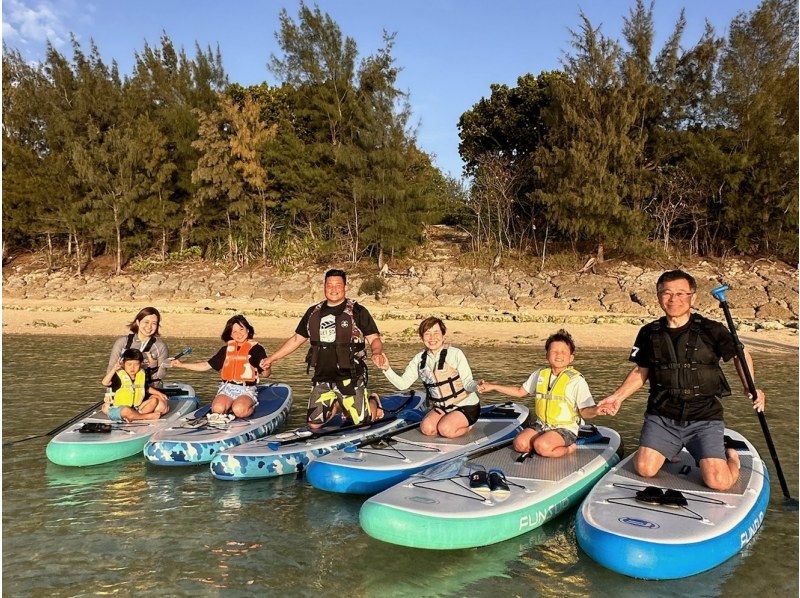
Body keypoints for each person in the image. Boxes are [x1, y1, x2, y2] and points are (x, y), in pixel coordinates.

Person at [596, 269, 766, 491]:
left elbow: (739, 355)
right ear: (659, 297)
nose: (673, 299)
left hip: (704, 416)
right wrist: (617, 397)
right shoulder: (649, 332)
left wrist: (751, 387)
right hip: (662, 415)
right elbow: (641, 371)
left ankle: (730, 457)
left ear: (692, 297)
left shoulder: (712, 329)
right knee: (645, 469)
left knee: (718, 482)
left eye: (681, 293)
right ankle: (671, 448)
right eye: (667, 293)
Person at [260, 269, 384, 430]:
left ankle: (373, 401)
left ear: (345, 287)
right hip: (322, 376)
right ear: (324, 287)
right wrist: (271, 359)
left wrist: (377, 353)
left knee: (363, 425)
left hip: (349, 376)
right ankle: (340, 404)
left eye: (338, 285)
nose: (333, 289)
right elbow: (297, 339)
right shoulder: (313, 312)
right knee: (314, 424)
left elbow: (374, 339)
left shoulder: (357, 311)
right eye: (329, 285)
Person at [478, 329, 599, 457]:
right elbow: (520, 392)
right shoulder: (540, 374)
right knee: (520, 444)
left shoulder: (576, 381)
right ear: (547, 355)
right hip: (542, 425)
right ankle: (545, 440)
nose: (558, 355)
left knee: (542, 446)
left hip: (565, 428)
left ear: (571, 358)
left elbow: (585, 411)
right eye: (554, 351)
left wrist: (597, 410)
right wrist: (493, 386)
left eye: (563, 352)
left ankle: (569, 448)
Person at [377, 316, 480, 439]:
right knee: (427, 429)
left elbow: (468, 382)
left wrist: (478, 386)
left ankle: (468, 426)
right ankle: (448, 419)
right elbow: (403, 384)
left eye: (436, 333)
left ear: (443, 336)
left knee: (445, 430)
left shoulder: (455, 354)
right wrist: (387, 369)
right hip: (442, 407)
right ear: (422, 338)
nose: (432, 338)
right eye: (427, 334)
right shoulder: (419, 359)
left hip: (466, 406)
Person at [170, 315, 268, 419]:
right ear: (230, 334)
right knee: (217, 408)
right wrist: (181, 364)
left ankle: (248, 407)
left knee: (239, 410)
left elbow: (266, 374)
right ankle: (230, 408)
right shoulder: (226, 350)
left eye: (241, 329)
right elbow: (205, 366)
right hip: (227, 388)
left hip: (246, 389)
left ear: (248, 330)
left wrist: (266, 367)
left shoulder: (257, 349)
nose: (238, 334)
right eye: (234, 331)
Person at [101, 348, 170, 422]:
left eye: (136, 364)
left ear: (140, 364)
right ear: (123, 364)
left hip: (137, 408)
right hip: (119, 408)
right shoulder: (118, 376)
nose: (132, 368)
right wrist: (114, 369)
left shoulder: (141, 375)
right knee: (126, 410)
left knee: (154, 401)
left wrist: (159, 394)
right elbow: (105, 383)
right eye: (129, 364)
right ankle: (145, 417)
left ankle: (135, 416)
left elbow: (146, 388)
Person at [106, 307, 169, 387]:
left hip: (150, 388)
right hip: (122, 388)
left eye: (154, 323)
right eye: (146, 322)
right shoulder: (122, 342)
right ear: (138, 322)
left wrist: (154, 365)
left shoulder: (161, 346)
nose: (149, 327)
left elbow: (160, 375)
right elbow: (111, 368)